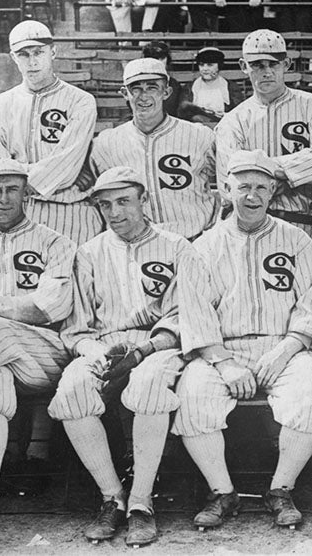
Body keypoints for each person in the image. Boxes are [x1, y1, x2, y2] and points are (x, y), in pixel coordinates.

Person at [172, 149, 312, 532]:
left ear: (273, 190)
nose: (252, 196)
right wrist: (224, 362)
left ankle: (280, 489)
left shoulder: (297, 240)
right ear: (226, 189)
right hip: (221, 348)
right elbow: (195, 314)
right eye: (243, 186)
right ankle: (222, 492)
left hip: (286, 346)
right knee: (192, 397)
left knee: (311, 395)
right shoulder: (203, 246)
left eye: (261, 187)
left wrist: (286, 348)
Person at [48, 167, 196, 548]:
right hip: (106, 344)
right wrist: (95, 352)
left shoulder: (176, 245)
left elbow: (186, 315)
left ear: (144, 200)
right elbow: (76, 329)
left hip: (158, 345)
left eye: (124, 201)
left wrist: (144, 350)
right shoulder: (90, 252)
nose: (115, 212)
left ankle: (142, 503)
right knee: (73, 391)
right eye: (105, 205)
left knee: (147, 386)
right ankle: (112, 498)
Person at [0, 159, 74, 555]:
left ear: (28, 192)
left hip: (43, 356)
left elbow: (47, 309)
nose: (3, 198)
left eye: (12, 189)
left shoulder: (55, 242)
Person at [0, 20, 101, 245]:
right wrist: (13, 182)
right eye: (24, 54)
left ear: (53, 52)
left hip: (68, 211)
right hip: (16, 213)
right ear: (13, 58)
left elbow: (66, 166)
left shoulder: (81, 101)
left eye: (39, 52)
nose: (33, 61)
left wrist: (15, 178)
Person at [216, 29, 312, 239]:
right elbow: (230, 185)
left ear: (287, 64)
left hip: (307, 225)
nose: (267, 72)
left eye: (273, 63)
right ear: (243, 66)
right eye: (257, 65)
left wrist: (262, 170)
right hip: (253, 230)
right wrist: (294, 174)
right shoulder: (232, 121)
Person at [89, 58, 218, 240]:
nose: (144, 96)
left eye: (152, 87)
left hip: (194, 241)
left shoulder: (201, 136)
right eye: (136, 88)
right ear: (124, 93)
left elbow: (229, 185)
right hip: (135, 247)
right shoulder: (105, 144)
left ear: (166, 92)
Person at [187, 46, 241, 122]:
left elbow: (239, 113)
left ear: (219, 66)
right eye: (201, 65)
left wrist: (225, 115)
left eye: (210, 65)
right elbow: (183, 112)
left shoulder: (230, 87)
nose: (205, 69)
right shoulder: (191, 88)